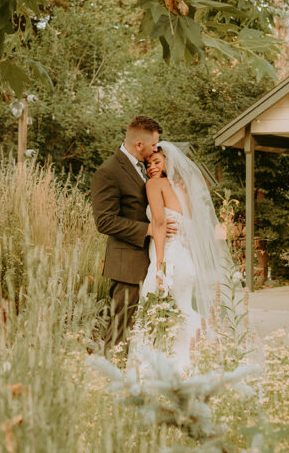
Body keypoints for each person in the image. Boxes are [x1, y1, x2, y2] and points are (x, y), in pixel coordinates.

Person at [133, 142, 232, 372]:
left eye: (156, 162)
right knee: (184, 311)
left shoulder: (154, 184)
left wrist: (159, 266)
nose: (151, 168)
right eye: (148, 164)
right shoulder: (182, 190)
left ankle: (158, 371)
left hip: (169, 261)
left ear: (169, 162)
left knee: (154, 315)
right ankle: (193, 365)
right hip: (186, 263)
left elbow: (158, 222)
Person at [91, 116, 177, 350]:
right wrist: (148, 229)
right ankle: (107, 381)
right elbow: (105, 221)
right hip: (127, 266)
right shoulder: (108, 171)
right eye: (153, 145)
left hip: (151, 262)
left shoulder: (148, 170)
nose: (156, 149)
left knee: (145, 333)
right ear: (139, 144)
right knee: (120, 332)